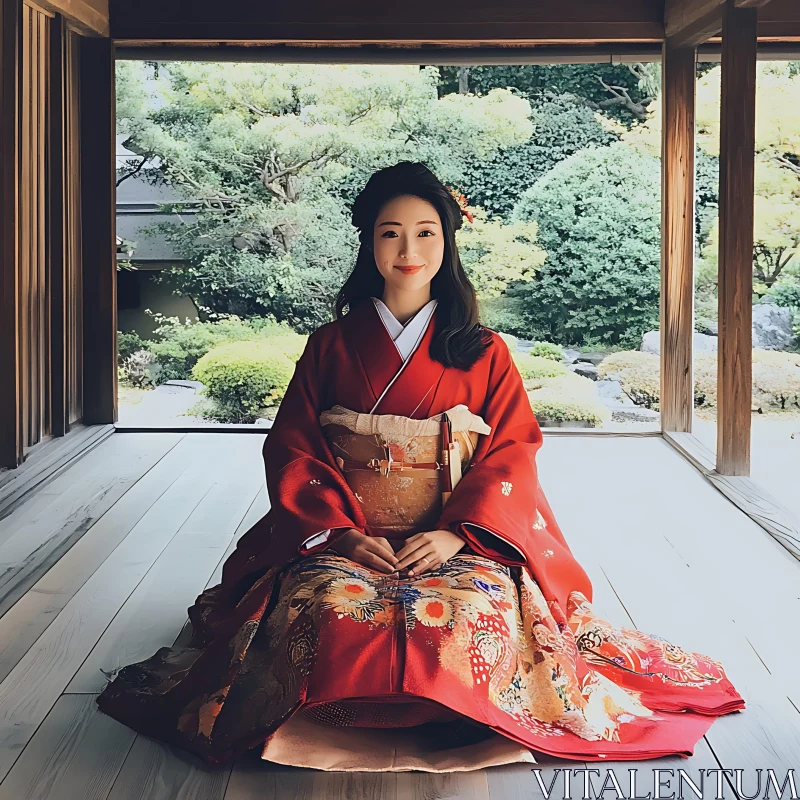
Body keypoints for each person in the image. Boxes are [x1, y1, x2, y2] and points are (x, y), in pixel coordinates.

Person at [96, 161, 745, 772]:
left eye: (425, 232)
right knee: (324, 606)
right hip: (346, 534)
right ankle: (337, 713)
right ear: (368, 243)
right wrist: (341, 533)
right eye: (391, 232)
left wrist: (458, 532)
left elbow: (512, 450)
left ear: (448, 241)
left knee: (470, 615)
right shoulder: (330, 346)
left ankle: (453, 709)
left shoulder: (483, 351)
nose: (409, 247)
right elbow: (293, 447)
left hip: (456, 536)